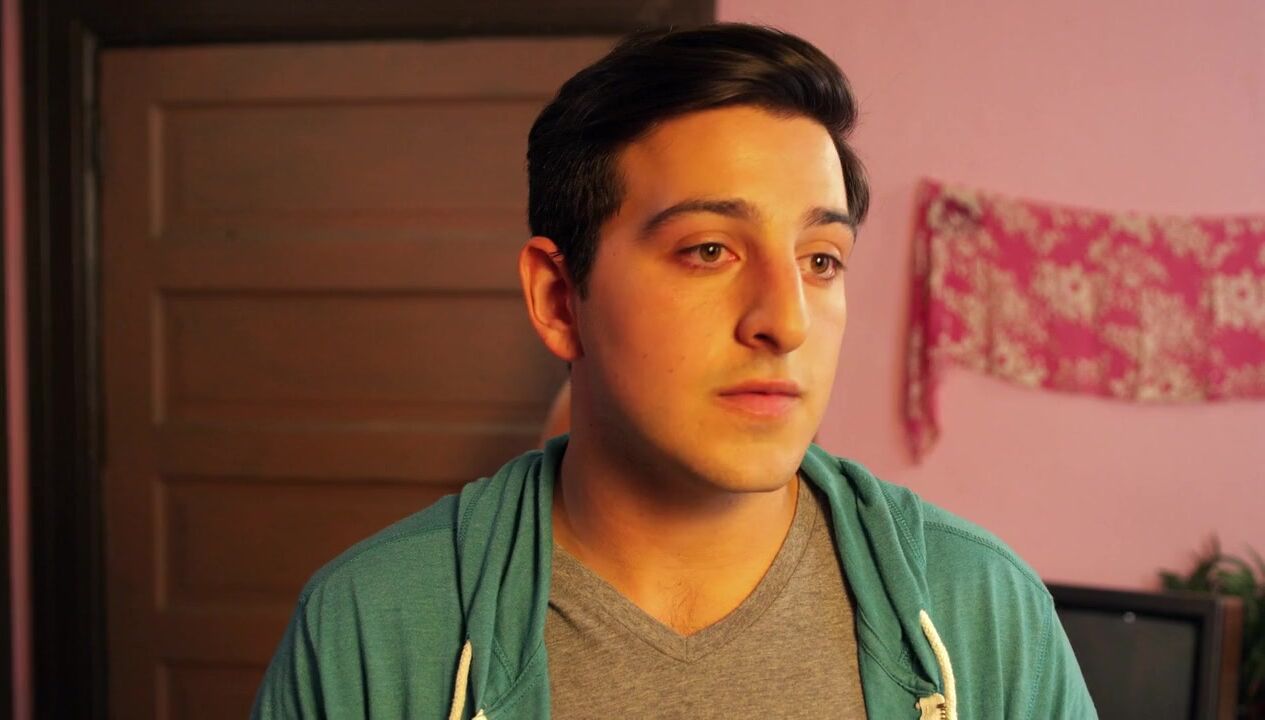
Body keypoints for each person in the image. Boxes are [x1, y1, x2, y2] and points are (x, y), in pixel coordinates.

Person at [253, 23, 1096, 719]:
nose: (785, 321)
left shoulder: (983, 613)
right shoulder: (370, 627)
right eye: (708, 250)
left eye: (820, 260)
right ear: (558, 299)